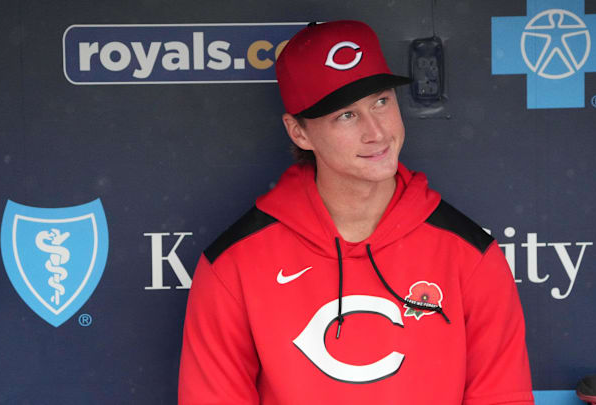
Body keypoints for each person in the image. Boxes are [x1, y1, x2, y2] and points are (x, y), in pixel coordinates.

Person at [178, 20, 534, 405]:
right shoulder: (234, 265)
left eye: (381, 102)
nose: (376, 132)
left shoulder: (470, 255)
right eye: (346, 115)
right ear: (298, 132)